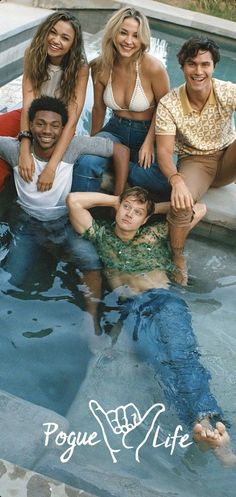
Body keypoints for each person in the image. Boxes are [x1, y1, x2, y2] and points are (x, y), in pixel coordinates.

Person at [67, 186, 236, 467]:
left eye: (137, 213)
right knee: (162, 366)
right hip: (133, 311)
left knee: (181, 360)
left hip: (164, 301)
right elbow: (74, 201)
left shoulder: (154, 233)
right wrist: (119, 200)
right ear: (118, 208)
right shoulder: (102, 236)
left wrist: (152, 210)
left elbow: (199, 209)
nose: (130, 215)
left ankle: (215, 435)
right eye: (127, 208)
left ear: (145, 219)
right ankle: (204, 430)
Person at [0, 95, 129, 288]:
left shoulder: (72, 146)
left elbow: (122, 151)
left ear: (63, 130)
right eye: (40, 124)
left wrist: (118, 198)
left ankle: (91, 318)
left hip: (63, 223)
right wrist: (23, 141)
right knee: (12, 279)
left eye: (54, 126)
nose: (47, 131)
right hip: (27, 224)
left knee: (92, 262)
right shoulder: (15, 150)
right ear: (30, 127)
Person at [155, 36, 236, 279]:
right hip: (196, 162)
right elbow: (164, 153)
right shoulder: (169, 104)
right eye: (192, 64)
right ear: (182, 66)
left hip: (229, 155)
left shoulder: (226, 90)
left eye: (205, 64)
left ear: (213, 66)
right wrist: (177, 180)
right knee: (181, 202)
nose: (198, 71)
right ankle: (177, 253)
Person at [71, 7, 170, 199]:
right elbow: (99, 108)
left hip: (148, 132)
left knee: (160, 182)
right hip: (116, 130)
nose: (128, 41)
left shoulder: (153, 68)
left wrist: (149, 143)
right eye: (123, 32)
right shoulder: (100, 66)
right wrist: (94, 144)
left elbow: (164, 108)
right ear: (113, 33)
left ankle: (119, 165)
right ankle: (79, 217)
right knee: (87, 162)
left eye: (135, 35)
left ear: (142, 39)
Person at [0, 11, 88, 192]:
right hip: (31, 116)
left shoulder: (80, 67)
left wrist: (51, 167)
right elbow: (28, 104)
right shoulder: (32, 54)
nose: (56, 40)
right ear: (45, 31)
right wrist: (24, 149)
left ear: (73, 44)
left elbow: (72, 119)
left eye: (65, 38)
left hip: (59, 125)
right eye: (53, 32)